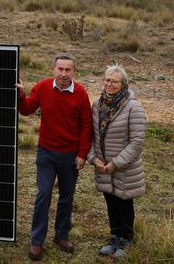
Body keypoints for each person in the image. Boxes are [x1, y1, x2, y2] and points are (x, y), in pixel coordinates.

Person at [17, 53, 92, 260]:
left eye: (68, 70)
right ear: (53, 70)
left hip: (70, 156)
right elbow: (27, 110)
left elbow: (87, 127)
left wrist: (82, 154)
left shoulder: (81, 94)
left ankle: (61, 235)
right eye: (60, 69)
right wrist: (22, 96)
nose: (64, 74)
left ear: (73, 72)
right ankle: (36, 241)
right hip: (46, 153)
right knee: (44, 194)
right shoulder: (42, 87)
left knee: (66, 197)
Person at [87, 64, 146, 258]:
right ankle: (114, 237)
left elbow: (137, 142)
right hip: (103, 166)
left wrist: (116, 163)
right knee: (110, 201)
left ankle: (126, 239)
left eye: (114, 81)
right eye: (107, 80)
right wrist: (94, 159)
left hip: (124, 167)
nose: (109, 84)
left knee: (124, 202)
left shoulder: (133, 106)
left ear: (123, 84)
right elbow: (92, 135)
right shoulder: (98, 104)